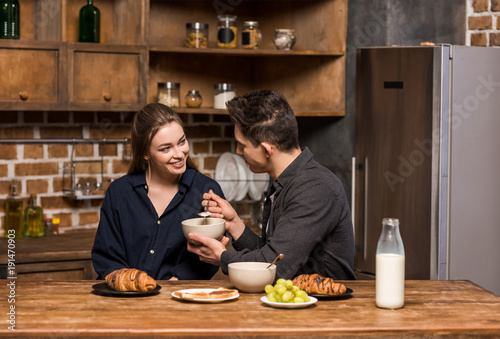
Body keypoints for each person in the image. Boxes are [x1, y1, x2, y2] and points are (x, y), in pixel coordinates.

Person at [187, 90, 356, 280]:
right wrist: (234, 224)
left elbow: (275, 267)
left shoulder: (315, 188)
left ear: (267, 150)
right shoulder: (288, 181)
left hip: (326, 307)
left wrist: (222, 257)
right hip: (294, 302)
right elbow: (275, 254)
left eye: (242, 145)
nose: (238, 151)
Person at [92, 103, 225, 280]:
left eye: (182, 142)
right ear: (145, 153)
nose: (179, 153)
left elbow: (210, 255)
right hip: (124, 298)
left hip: (179, 298)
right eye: (166, 148)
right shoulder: (119, 193)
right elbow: (107, 258)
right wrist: (132, 285)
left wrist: (176, 281)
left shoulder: (206, 192)